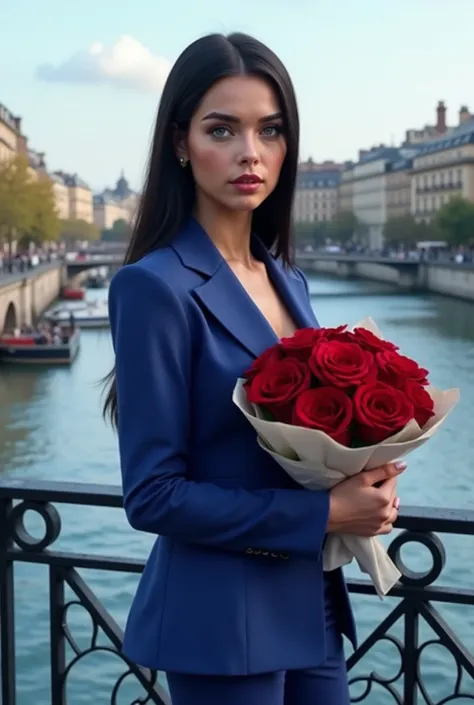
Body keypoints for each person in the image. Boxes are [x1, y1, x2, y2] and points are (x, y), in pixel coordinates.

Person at [104, 32, 406, 705]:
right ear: (180, 142)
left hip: (315, 603)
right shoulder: (153, 286)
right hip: (221, 618)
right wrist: (326, 509)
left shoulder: (287, 278)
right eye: (223, 129)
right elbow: (152, 494)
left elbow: (298, 442)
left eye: (270, 130)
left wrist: (366, 471)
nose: (251, 152)